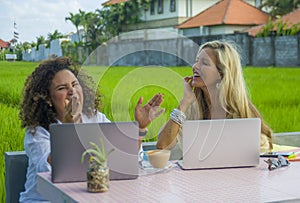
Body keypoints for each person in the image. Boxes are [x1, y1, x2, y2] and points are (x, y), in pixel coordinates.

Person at [19, 57, 164, 202]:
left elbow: (124, 156)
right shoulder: (38, 132)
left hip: (90, 196)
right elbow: (54, 173)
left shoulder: (96, 118)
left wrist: (140, 128)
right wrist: (71, 127)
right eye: (62, 88)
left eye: (75, 84)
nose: (71, 91)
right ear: (48, 99)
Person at [156, 40, 273, 154]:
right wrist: (184, 102)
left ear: (221, 74)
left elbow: (261, 148)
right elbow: (162, 145)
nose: (195, 66)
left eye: (205, 63)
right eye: (197, 61)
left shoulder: (239, 110)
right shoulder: (192, 108)